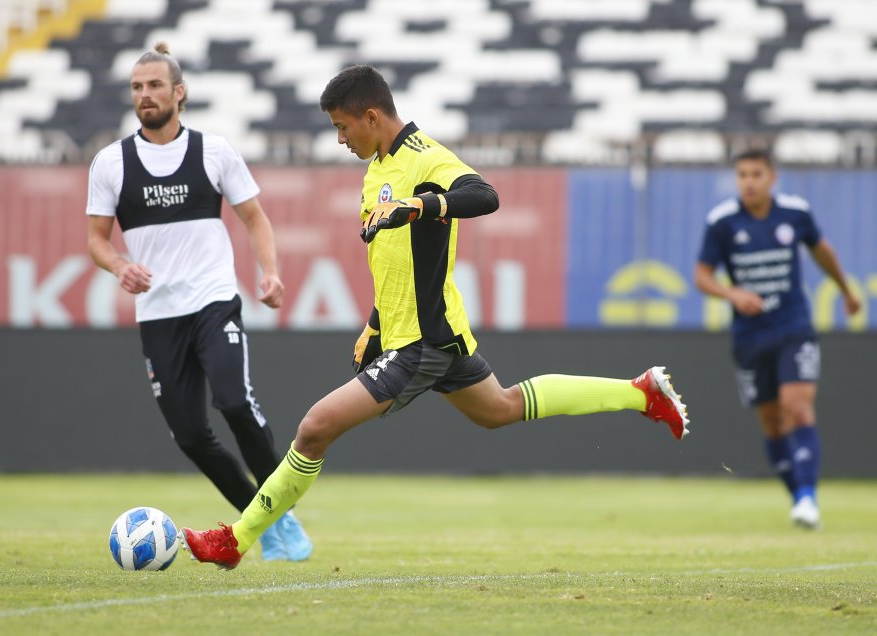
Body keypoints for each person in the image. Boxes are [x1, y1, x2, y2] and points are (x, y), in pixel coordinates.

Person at [179, 64, 689, 569]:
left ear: (371, 116)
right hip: (420, 335)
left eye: (342, 126)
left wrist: (421, 206)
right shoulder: (377, 169)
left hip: (421, 343)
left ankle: (237, 539)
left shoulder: (425, 157)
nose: (339, 139)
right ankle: (639, 392)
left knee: (314, 428)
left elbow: (485, 196)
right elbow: (395, 262)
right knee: (501, 408)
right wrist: (376, 323)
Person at [85, 42, 311, 561]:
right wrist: (120, 265)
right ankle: (265, 518)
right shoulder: (110, 163)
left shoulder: (214, 151)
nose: (145, 95)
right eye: (138, 87)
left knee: (234, 401)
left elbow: (255, 218)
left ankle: (276, 512)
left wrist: (271, 273)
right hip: (158, 314)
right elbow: (97, 240)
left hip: (213, 300)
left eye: (155, 86)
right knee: (190, 435)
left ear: (179, 93)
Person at [694, 148, 861, 529]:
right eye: (742, 175)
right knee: (771, 423)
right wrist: (732, 294)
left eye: (756, 174)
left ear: (772, 177)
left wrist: (846, 291)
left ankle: (807, 498)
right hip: (750, 336)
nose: (748, 182)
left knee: (797, 406)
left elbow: (823, 252)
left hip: (793, 327)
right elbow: (701, 276)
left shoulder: (795, 213)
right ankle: (800, 497)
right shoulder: (721, 221)